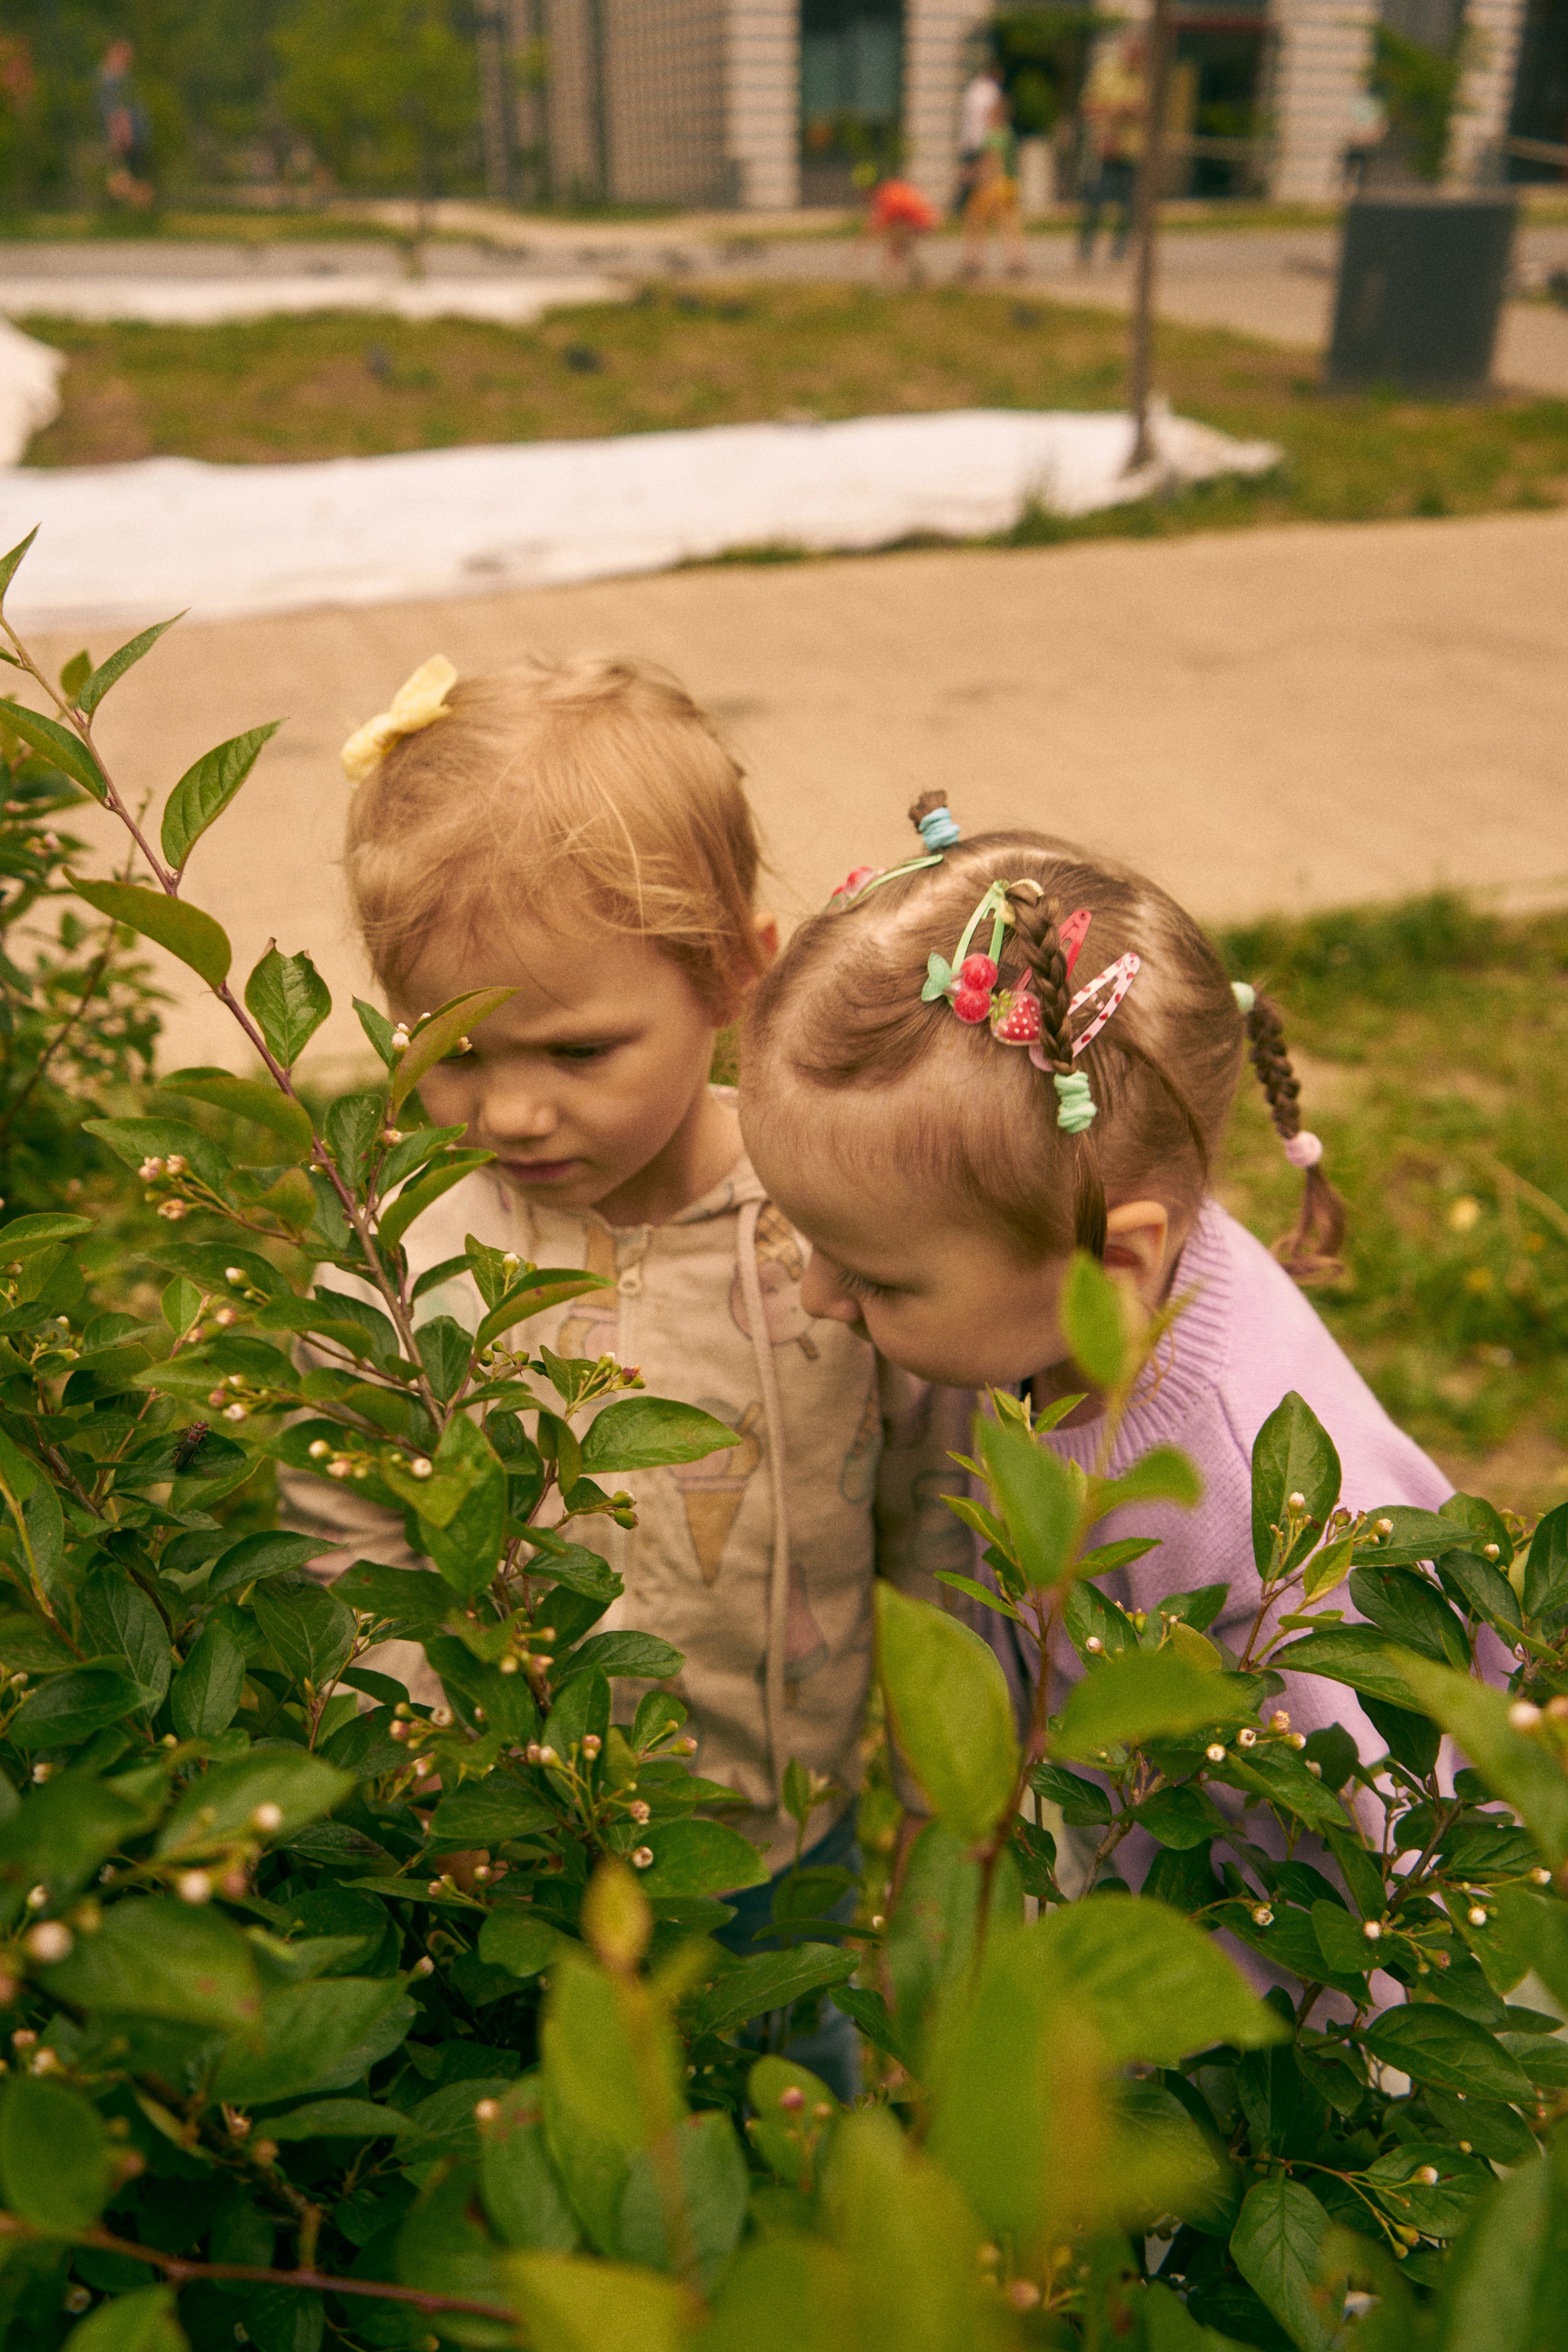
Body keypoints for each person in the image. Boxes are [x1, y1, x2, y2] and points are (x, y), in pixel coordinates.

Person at [281, 655, 970, 2097]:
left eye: (580, 1048)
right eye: (451, 1049)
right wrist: (421, 1755)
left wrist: (944, 1789)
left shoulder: (830, 1230)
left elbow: (938, 1502)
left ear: (735, 974)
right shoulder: (400, 1265)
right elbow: (338, 1518)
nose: (513, 1110)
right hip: (503, 1855)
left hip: (782, 1835)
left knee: (790, 2121)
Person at [739, 799, 1452, 1755]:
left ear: (1114, 1265)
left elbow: (1355, 1821)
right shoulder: (1053, 1280)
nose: (820, 1299)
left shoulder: (1250, 1538)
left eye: (879, 1282)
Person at [1078, 32, 1145, 264]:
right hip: (1105, 147)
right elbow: (1088, 107)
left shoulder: (1145, 78)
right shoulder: (1105, 72)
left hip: (1134, 149)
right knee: (1095, 201)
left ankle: (1119, 252)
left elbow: (1151, 112)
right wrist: (1118, 111)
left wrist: (1138, 112)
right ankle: (1086, 249)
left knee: (1130, 206)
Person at [961, 90, 1027, 283]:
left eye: (988, 113)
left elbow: (993, 161)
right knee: (1010, 224)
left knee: (974, 221)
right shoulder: (1008, 134)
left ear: (996, 114)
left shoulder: (995, 136)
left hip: (994, 186)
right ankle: (1017, 261)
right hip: (1009, 185)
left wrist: (980, 180)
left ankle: (973, 261)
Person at [96, 39, 153, 211]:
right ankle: (131, 212)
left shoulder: (121, 79)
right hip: (126, 137)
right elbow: (116, 112)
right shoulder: (111, 81)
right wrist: (120, 136)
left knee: (132, 178)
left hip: (134, 136)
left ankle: (135, 212)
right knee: (129, 179)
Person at [866, 172, 939, 287]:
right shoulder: (890, 188)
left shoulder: (885, 195)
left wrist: (857, 251)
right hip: (923, 217)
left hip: (919, 221)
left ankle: (891, 276)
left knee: (897, 245)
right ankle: (916, 274)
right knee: (902, 245)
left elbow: (880, 224)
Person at [956, 56, 1005, 219]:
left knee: (973, 174)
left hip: (969, 138)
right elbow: (992, 115)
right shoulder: (991, 90)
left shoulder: (973, 88)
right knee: (985, 178)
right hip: (985, 140)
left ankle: (967, 204)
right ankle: (981, 210)